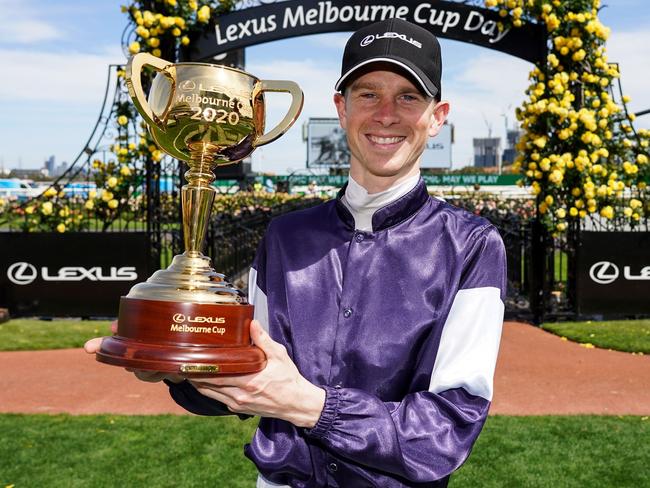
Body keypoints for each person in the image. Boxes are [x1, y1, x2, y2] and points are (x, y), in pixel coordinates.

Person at [86, 18, 506, 487]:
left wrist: (311, 407)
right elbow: (252, 378)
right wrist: (175, 368)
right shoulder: (285, 236)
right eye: (368, 94)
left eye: (408, 96)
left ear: (438, 115)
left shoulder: (472, 244)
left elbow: (447, 430)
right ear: (341, 108)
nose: (386, 114)